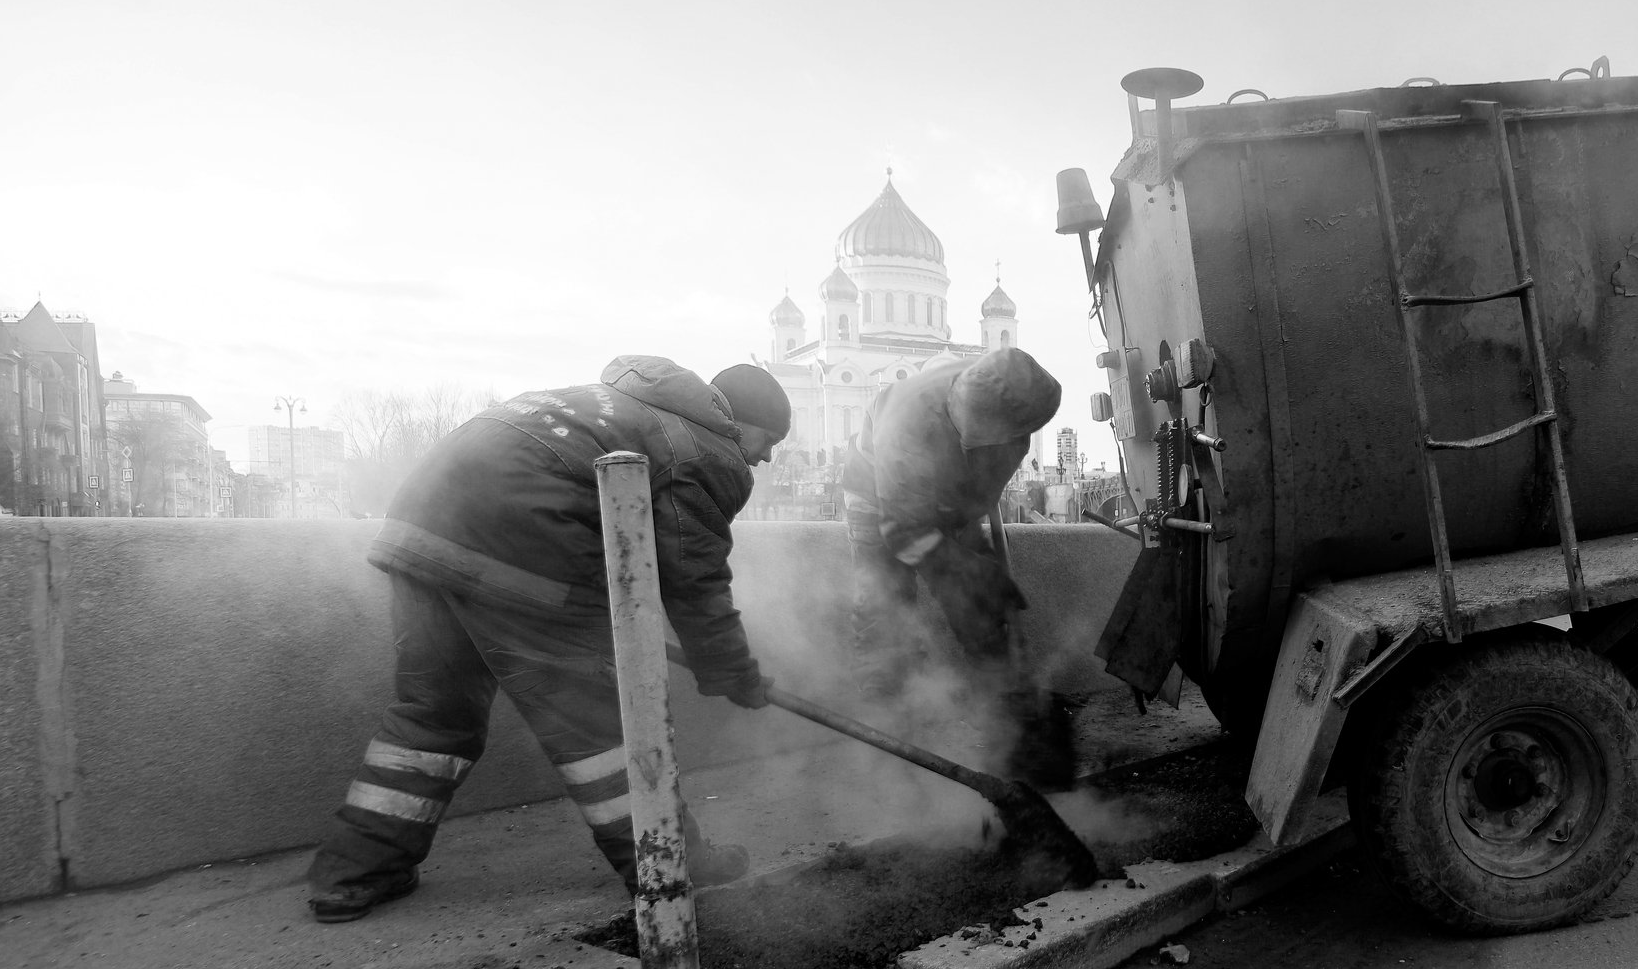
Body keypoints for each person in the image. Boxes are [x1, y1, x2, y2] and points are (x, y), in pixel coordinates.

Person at [304, 356, 790, 923]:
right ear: (739, 421)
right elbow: (695, 579)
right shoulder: (706, 447)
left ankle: (354, 874)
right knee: (600, 732)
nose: (766, 455)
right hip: (523, 547)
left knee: (432, 717)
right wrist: (733, 672)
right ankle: (667, 864)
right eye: (770, 438)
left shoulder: (614, 408)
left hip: (421, 527)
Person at [839, 346, 1070, 785]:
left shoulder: (1012, 398)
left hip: (948, 492)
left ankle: (1009, 720)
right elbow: (904, 532)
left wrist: (981, 579)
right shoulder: (907, 426)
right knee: (883, 607)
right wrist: (963, 566)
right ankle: (890, 740)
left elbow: (978, 494)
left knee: (979, 605)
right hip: (879, 494)